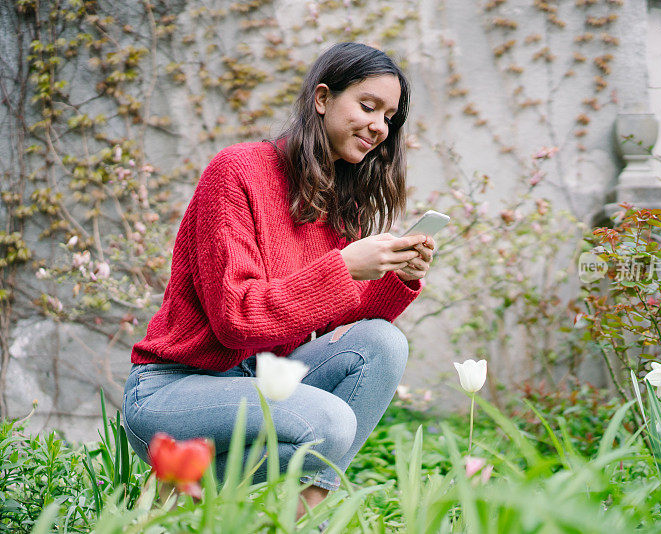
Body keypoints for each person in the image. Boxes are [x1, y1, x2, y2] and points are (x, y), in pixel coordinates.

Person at [121, 42, 435, 517]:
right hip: (174, 389)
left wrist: (397, 277)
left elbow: (340, 322)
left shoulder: (336, 204)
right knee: (329, 421)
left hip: (261, 381)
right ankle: (177, 475)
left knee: (383, 343)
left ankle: (293, 521)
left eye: (389, 117)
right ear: (323, 98)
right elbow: (237, 320)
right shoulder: (238, 171)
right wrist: (345, 267)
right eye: (368, 106)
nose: (379, 126)